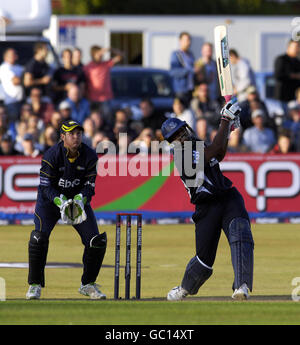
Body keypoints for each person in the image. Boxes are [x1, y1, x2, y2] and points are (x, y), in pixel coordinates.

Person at [160, 98, 254, 301]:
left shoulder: (196, 144)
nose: (181, 137)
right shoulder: (181, 155)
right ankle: (184, 288)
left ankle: (242, 287)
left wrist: (228, 129)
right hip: (206, 207)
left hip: (228, 197)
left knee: (241, 236)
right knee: (204, 261)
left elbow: (218, 153)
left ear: (186, 128)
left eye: (182, 131)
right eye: (175, 136)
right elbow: (212, 151)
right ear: (171, 141)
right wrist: (225, 120)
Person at [26, 120, 107, 300]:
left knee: (96, 241)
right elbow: (46, 187)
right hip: (50, 203)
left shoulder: (90, 155)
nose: (76, 137)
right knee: (38, 238)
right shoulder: (51, 155)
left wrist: (79, 200)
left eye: (78, 133)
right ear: (62, 137)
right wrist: (60, 201)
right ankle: (35, 285)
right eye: (72, 134)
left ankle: (87, 285)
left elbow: (90, 186)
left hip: (77, 203)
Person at [84, 45, 123, 125]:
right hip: (92, 99)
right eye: (98, 54)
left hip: (106, 98)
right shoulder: (88, 67)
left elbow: (121, 56)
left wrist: (110, 49)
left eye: (101, 54)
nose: (100, 56)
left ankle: (110, 134)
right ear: (93, 54)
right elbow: (84, 83)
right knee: (95, 121)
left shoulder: (106, 64)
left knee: (108, 121)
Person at [170, 32, 195, 104]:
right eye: (186, 40)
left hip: (190, 90)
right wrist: (190, 70)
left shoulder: (191, 55)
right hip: (181, 90)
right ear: (180, 41)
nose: (189, 42)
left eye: (189, 40)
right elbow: (173, 72)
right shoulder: (176, 54)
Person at [0, 48, 24, 123]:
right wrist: (26, 79)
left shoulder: (19, 67)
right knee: (12, 123)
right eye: (12, 55)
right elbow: (15, 81)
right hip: (10, 102)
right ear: (5, 57)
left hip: (21, 102)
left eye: (15, 54)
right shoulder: (4, 67)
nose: (15, 56)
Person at [274, 40, 300, 104]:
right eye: (295, 47)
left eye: (298, 47)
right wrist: (295, 75)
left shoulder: (297, 62)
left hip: (294, 98)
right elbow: (278, 75)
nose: (297, 49)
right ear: (289, 47)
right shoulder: (281, 59)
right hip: (282, 98)